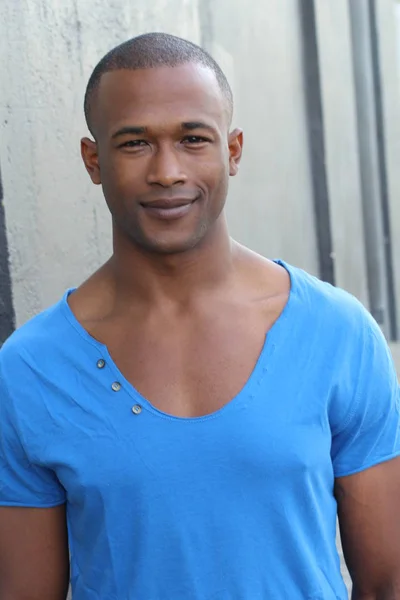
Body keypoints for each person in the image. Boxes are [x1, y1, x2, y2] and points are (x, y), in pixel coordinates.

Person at [0, 32, 399, 600]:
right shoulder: (30, 369)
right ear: (94, 160)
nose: (166, 171)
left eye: (193, 139)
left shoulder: (337, 333)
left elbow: (387, 582)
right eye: (134, 143)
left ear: (232, 151)